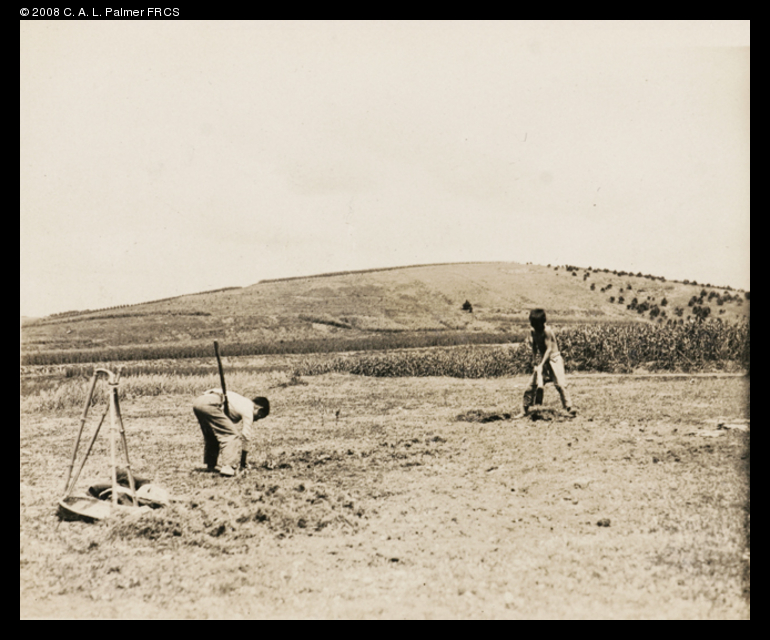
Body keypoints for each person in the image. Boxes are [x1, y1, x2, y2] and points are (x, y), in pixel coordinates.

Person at [192, 389, 270, 476]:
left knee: (212, 435)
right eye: (259, 416)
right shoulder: (249, 408)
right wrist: (243, 461)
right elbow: (246, 435)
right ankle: (228, 467)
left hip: (199, 401)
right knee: (231, 435)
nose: (256, 420)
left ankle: (211, 464)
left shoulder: (240, 400)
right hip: (210, 404)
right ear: (259, 409)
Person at [517, 309, 576, 417]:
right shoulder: (533, 331)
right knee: (531, 386)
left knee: (560, 384)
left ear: (542, 322)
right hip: (543, 359)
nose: (535, 326)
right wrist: (535, 360)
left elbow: (549, 350)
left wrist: (541, 364)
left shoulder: (547, 331)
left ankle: (569, 408)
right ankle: (524, 410)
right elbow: (534, 346)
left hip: (554, 359)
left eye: (537, 324)